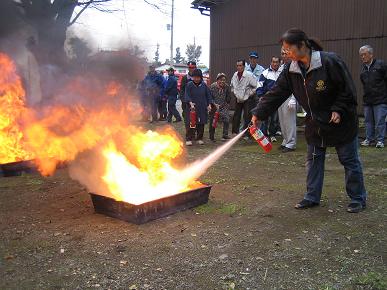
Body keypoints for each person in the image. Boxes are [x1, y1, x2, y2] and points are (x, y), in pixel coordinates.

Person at [251, 28, 367, 213]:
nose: (285, 53)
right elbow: (277, 93)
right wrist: (259, 113)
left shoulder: (329, 61)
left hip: (341, 122)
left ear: (302, 45)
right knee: (313, 160)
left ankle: (357, 198)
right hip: (315, 122)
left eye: (288, 49)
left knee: (349, 160)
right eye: (284, 50)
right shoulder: (291, 69)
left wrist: (338, 109)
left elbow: (347, 89)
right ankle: (312, 196)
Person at [359, 45, 387, 148]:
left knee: (380, 121)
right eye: (361, 55)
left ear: (371, 55)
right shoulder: (363, 70)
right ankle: (369, 139)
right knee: (368, 121)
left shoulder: (381, 65)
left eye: (364, 54)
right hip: (368, 100)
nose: (362, 57)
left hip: (380, 100)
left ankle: (380, 140)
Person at [256, 56, 283, 143]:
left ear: (279, 63)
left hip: (276, 100)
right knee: (265, 119)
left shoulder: (281, 73)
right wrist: (260, 96)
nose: (275, 64)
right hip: (266, 99)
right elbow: (259, 85)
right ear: (271, 62)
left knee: (274, 119)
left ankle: (272, 135)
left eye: (276, 62)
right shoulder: (265, 73)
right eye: (273, 62)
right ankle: (264, 136)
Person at [185, 69, 214, 145]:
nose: (196, 79)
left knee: (201, 123)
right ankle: (189, 138)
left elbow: (208, 95)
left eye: (198, 77)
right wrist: (190, 103)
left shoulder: (204, 85)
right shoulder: (189, 85)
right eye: (195, 77)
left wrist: (209, 105)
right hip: (192, 108)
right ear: (192, 77)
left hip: (202, 107)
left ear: (201, 77)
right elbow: (187, 95)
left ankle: (199, 138)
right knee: (191, 123)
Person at [277, 50, 298, 152]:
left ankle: (291, 143)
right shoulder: (282, 67)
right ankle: (285, 140)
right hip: (281, 97)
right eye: (282, 54)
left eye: (286, 54)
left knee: (289, 122)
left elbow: (296, 84)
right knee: (282, 121)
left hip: (290, 97)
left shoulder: (294, 66)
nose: (284, 56)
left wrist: (294, 99)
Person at [230, 60, 257, 137]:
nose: (239, 67)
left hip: (247, 99)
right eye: (237, 65)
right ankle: (235, 132)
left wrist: (249, 94)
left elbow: (255, 86)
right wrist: (235, 93)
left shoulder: (249, 75)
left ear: (244, 66)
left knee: (247, 116)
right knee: (236, 116)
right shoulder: (235, 75)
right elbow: (231, 86)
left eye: (240, 65)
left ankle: (247, 134)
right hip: (238, 98)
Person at [209, 73, 232, 142]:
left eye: (224, 80)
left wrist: (226, 103)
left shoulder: (227, 87)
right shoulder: (212, 86)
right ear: (217, 80)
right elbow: (209, 97)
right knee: (213, 121)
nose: (222, 81)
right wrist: (214, 104)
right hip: (214, 106)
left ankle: (225, 135)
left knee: (227, 119)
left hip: (223, 106)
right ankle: (211, 137)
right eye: (220, 80)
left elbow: (228, 97)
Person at [180, 61, 197, 140]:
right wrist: (184, 101)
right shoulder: (185, 78)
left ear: (195, 67)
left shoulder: (198, 77)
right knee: (187, 120)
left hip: (195, 102)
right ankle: (188, 136)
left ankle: (193, 134)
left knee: (194, 119)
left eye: (193, 67)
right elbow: (182, 91)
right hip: (187, 103)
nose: (191, 69)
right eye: (190, 67)